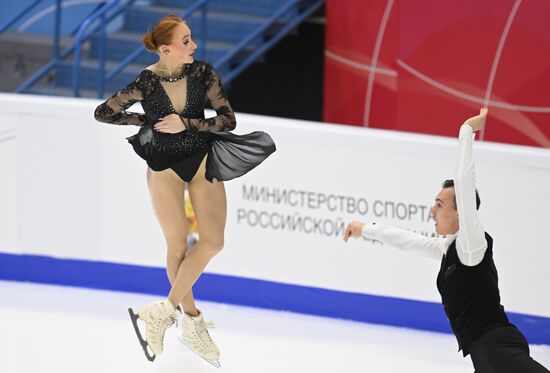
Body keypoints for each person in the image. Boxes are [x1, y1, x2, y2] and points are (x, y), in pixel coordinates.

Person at [94, 14, 275, 366]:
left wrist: (187, 123)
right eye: (186, 41)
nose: (193, 46)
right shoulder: (146, 82)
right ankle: (191, 322)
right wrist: (146, 121)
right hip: (163, 170)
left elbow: (227, 118)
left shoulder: (203, 73)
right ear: (166, 49)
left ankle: (163, 311)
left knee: (213, 242)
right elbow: (104, 112)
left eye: (191, 39)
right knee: (177, 244)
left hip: (201, 161)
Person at [343, 108, 549, 373]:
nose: (432, 211)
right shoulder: (450, 248)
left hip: (498, 351)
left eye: (439, 204)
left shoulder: (471, 246)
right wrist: (366, 229)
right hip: (487, 354)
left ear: (461, 213)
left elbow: (464, 180)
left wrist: (467, 130)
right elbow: (409, 241)